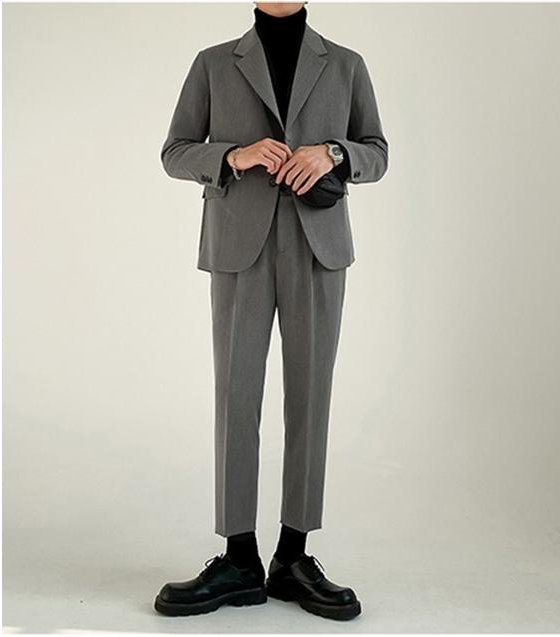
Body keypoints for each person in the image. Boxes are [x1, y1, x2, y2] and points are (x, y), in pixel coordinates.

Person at [154, 1, 388, 621]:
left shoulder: (345, 64)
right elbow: (175, 151)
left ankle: (293, 556)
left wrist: (333, 153)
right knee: (237, 397)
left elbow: (377, 152)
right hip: (240, 245)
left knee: (310, 397)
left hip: (318, 246)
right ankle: (239, 559)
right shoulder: (213, 63)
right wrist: (233, 155)